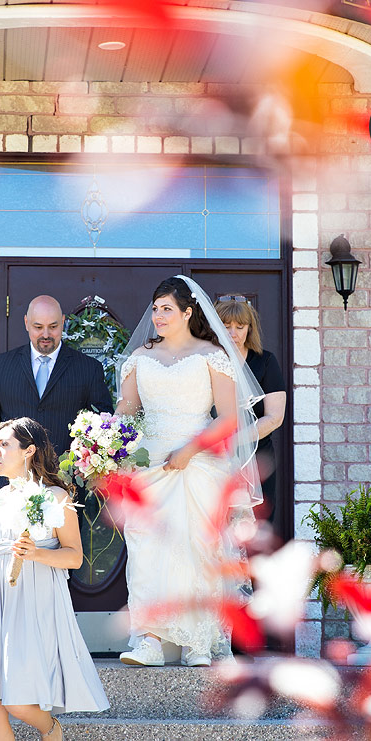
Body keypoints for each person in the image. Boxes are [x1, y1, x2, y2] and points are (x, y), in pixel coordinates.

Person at [114, 276, 263, 667]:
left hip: (200, 463)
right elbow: (126, 412)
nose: (158, 316)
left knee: (199, 550)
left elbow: (230, 419)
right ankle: (147, 640)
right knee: (147, 550)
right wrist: (101, 444)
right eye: (156, 308)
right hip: (150, 465)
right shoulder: (139, 359)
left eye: (167, 309)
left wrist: (191, 449)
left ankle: (199, 641)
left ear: (188, 312)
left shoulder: (212, 356)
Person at [0, 417, 110, 741]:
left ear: (29, 450)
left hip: (32, 601)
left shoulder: (56, 496)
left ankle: (52, 730)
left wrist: (36, 553)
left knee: (18, 701)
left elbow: (74, 556)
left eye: (4, 444)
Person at [0, 295, 114, 490]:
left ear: (63, 322)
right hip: (10, 479)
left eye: (53, 327)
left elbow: (103, 423)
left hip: (65, 482)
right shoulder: (1, 366)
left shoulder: (88, 368)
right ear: (26, 323)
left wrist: (93, 464)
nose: (46, 334)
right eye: (38, 327)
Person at [216, 296, 287, 527]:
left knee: (257, 526)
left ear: (249, 328)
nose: (232, 333)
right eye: (225, 326)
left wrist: (236, 441)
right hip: (213, 457)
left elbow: (275, 417)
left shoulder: (265, 361)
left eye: (239, 327)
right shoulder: (207, 362)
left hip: (258, 458)